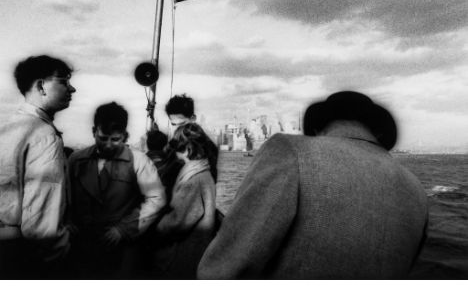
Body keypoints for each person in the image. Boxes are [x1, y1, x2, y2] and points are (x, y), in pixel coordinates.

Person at [198, 91, 428, 279]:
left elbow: (226, 267)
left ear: (318, 127)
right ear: (375, 129)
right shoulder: (416, 189)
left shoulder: (290, 150)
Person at [67, 101, 166, 279]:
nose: (108, 145)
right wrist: (67, 221)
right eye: (102, 138)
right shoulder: (75, 160)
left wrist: (123, 229)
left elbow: (156, 199)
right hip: (83, 245)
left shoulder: (139, 161)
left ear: (125, 136)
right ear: (93, 132)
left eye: (115, 139)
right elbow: (65, 198)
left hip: (122, 248)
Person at [0, 55, 76, 279]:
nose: (72, 89)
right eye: (63, 81)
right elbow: (42, 225)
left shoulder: (7, 127)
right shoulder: (44, 135)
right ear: (41, 86)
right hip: (31, 260)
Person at [147, 123, 217, 279]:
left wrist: (154, 229)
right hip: (195, 251)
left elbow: (177, 221)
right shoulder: (203, 173)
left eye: (177, 148)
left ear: (188, 149)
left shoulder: (194, 180)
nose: (174, 154)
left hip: (184, 256)